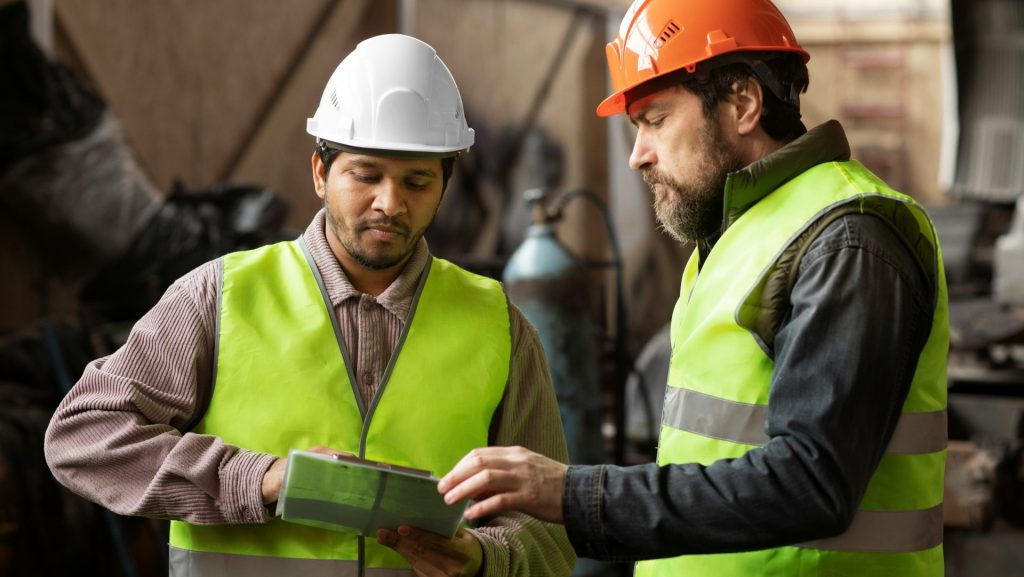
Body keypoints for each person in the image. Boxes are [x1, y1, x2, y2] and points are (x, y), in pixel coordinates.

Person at [438, 1, 949, 575]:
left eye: (654, 120)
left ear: (743, 103)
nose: (637, 156)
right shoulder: (736, 237)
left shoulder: (848, 240)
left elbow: (811, 482)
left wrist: (573, 494)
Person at [44, 33, 575, 577]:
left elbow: (552, 534)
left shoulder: (497, 325)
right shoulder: (219, 297)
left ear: (444, 186)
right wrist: (261, 479)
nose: (389, 203)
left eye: (416, 181)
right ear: (321, 173)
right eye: (365, 175)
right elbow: (83, 435)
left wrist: (485, 558)